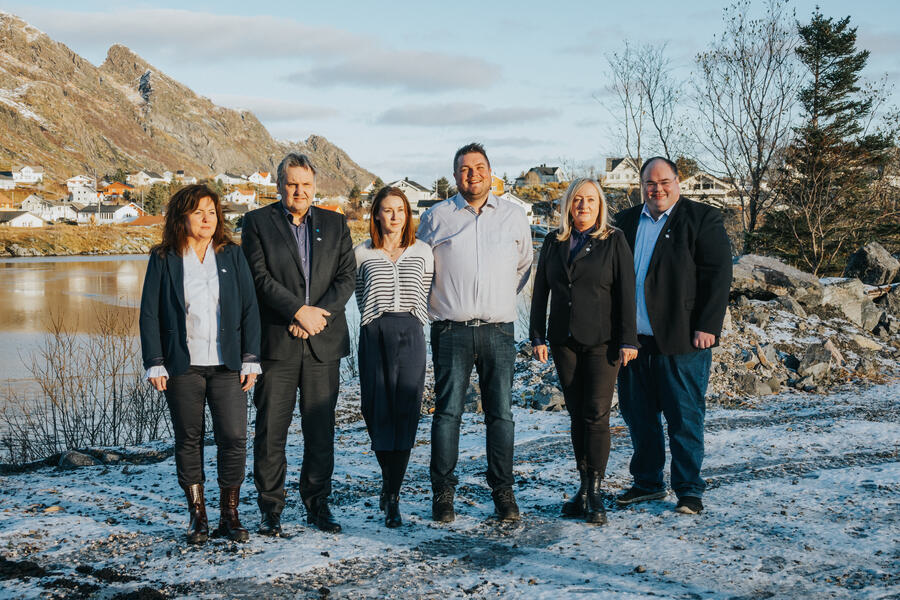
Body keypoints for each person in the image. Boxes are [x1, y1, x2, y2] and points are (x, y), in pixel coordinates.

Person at [139, 184, 261, 544]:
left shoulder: (232, 254)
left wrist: (251, 358)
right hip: (182, 365)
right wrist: (154, 361)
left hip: (228, 364)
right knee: (189, 438)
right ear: (182, 217)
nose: (207, 220)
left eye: (212, 212)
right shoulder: (164, 257)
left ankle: (230, 514)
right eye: (198, 212)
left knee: (234, 438)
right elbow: (149, 313)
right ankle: (198, 516)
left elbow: (250, 308)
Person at [241, 153, 355, 535]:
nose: (299, 191)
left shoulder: (336, 224)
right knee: (270, 431)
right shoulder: (257, 222)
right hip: (278, 343)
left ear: (314, 186)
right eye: (292, 184)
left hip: (323, 342)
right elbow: (258, 277)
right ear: (280, 186)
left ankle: (317, 504)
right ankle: (270, 509)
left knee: (320, 431)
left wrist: (315, 316)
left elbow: (346, 278)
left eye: (306, 184)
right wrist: (297, 311)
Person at [417, 142, 532, 523]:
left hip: (499, 331)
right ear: (455, 176)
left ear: (490, 172)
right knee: (447, 414)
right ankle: (443, 494)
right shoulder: (436, 217)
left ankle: (503, 492)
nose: (473, 175)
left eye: (479, 167)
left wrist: (497, 297)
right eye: (465, 169)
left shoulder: (514, 216)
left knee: (501, 415)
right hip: (451, 331)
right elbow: (420, 269)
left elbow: (523, 266)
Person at [614, 157, 732, 515]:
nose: (657, 189)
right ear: (641, 186)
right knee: (639, 418)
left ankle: (689, 489)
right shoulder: (625, 221)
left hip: (682, 340)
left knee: (684, 418)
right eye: (650, 183)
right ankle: (647, 483)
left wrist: (708, 325)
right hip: (633, 342)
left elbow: (718, 274)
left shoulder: (702, 218)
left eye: (664, 181)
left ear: (677, 182)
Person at [529, 178, 638, 525]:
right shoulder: (553, 241)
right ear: (568, 205)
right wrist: (537, 335)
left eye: (590, 200)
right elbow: (540, 291)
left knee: (597, 414)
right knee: (577, 414)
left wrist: (629, 339)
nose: (584, 206)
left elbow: (627, 292)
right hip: (564, 341)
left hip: (603, 341)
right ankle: (583, 487)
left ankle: (595, 491)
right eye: (577, 199)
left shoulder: (614, 240)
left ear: (600, 205)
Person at [354, 186, 433, 528]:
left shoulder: (423, 252)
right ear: (376, 214)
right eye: (387, 209)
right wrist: (377, 320)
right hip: (375, 333)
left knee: (406, 411)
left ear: (407, 214)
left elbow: (426, 290)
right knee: (376, 410)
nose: (395, 216)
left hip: (411, 332)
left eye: (400, 209)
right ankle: (388, 481)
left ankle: (393, 493)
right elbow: (359, 295)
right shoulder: (361, 253)